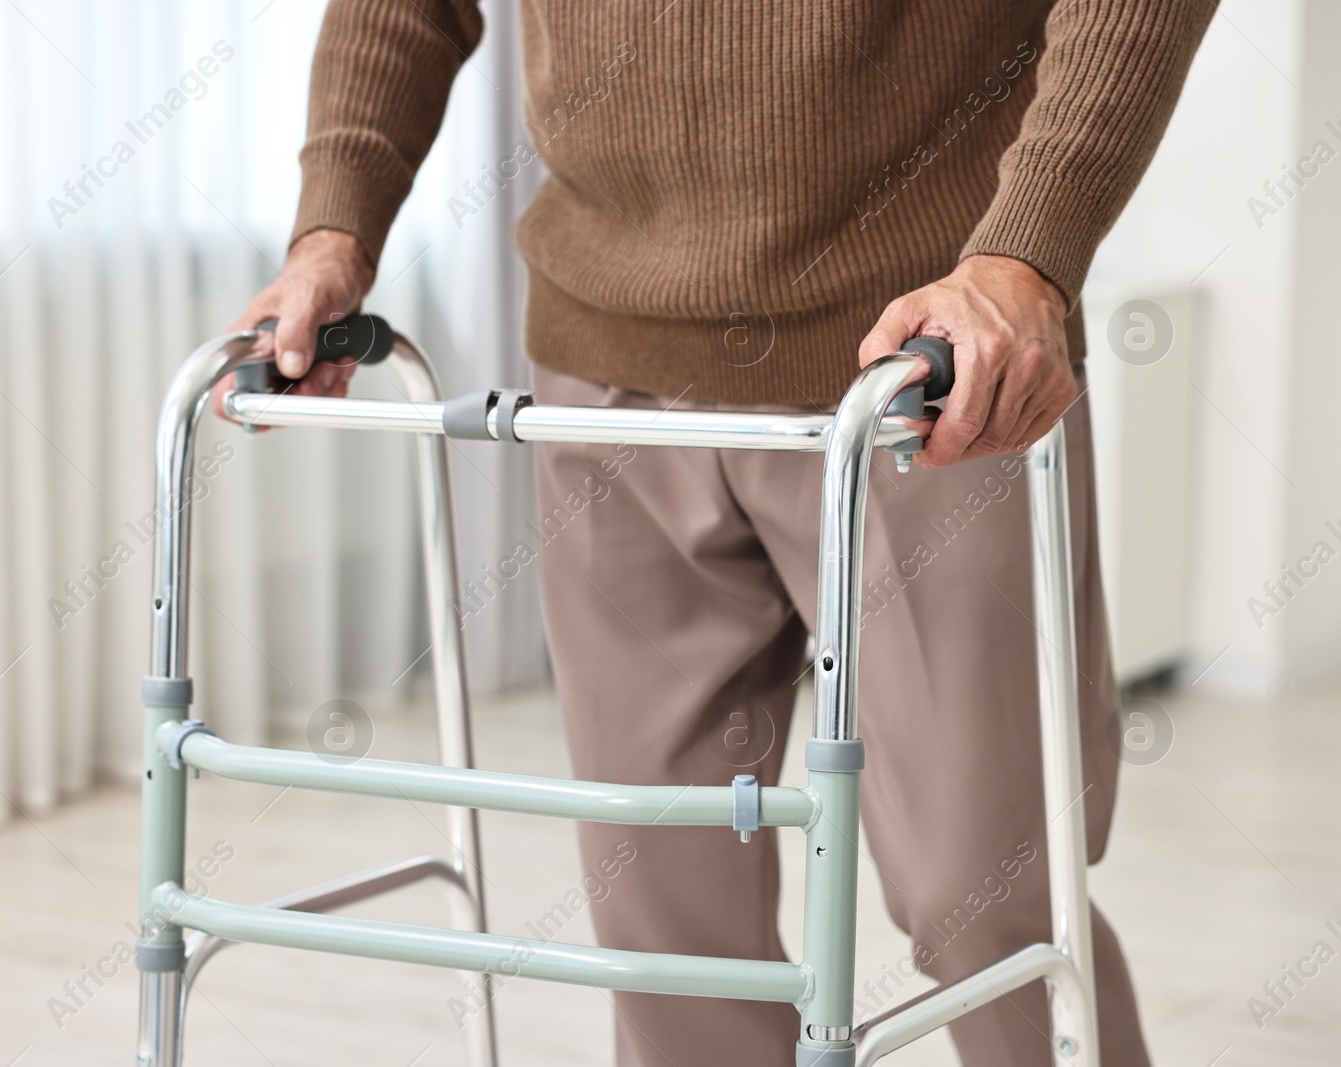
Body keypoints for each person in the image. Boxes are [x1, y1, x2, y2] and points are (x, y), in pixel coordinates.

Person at [219, 4, 1213, 1064]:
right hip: (606, 356)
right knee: (664, 930)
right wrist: (333, 227)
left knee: (986, 902)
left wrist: (1028, 256)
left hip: (927, 379)